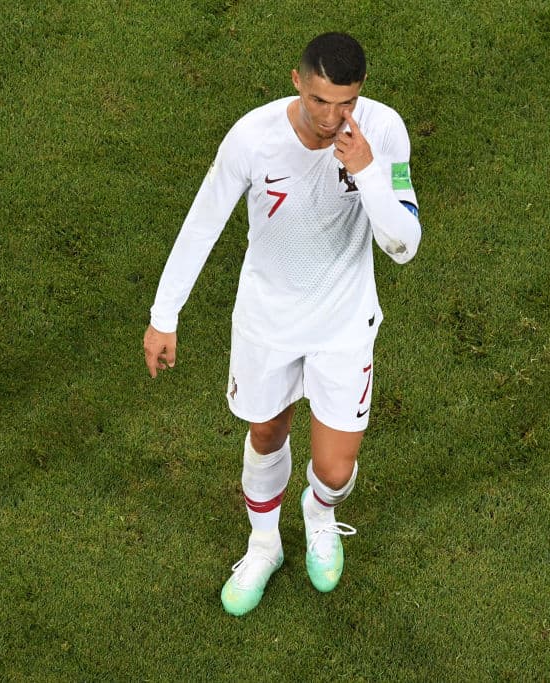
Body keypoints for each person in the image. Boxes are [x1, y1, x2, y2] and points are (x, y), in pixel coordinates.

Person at [143, 32, 420, 616]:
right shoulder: (253, 137)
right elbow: (202, 223)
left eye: (345, 103)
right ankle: (263, 544)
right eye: (321, 101)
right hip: (267, 323)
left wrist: (368, 172)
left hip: (344, 324)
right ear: (297, 81)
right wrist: (163, 316)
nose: (332, 117)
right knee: (266, 434)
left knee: (335, 469)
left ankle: (319, 514)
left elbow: (403, 245)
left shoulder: (383, 132)